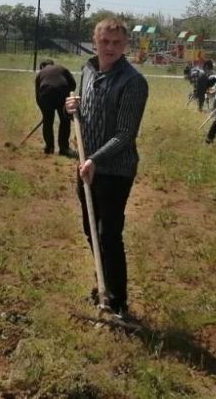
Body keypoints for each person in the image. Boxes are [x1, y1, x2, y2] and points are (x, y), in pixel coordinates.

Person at [65, 17, 149, 320]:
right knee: (91, 229)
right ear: (95, 41)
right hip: (86, 164)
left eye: (116, 43)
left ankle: (117, 299)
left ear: (125, 45)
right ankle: (103, 283)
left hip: (114, 170)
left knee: (109, 233)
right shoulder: (87, 71)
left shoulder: (133, 82)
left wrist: (95, 160)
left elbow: (125, 133)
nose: (110, 47)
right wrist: (72, 107)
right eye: (104, 41)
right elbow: (84, 110)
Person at [35, 59, 77, 156]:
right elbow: (73, 84)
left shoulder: (40, 73)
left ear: (42, 67)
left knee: (48, 122)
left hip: (45, 94)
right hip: (62, 91)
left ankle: (49, 147)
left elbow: (37, 96)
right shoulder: (61, 68)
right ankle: (64, 148)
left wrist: (44, 113)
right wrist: (66, 93)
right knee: (65, 120)